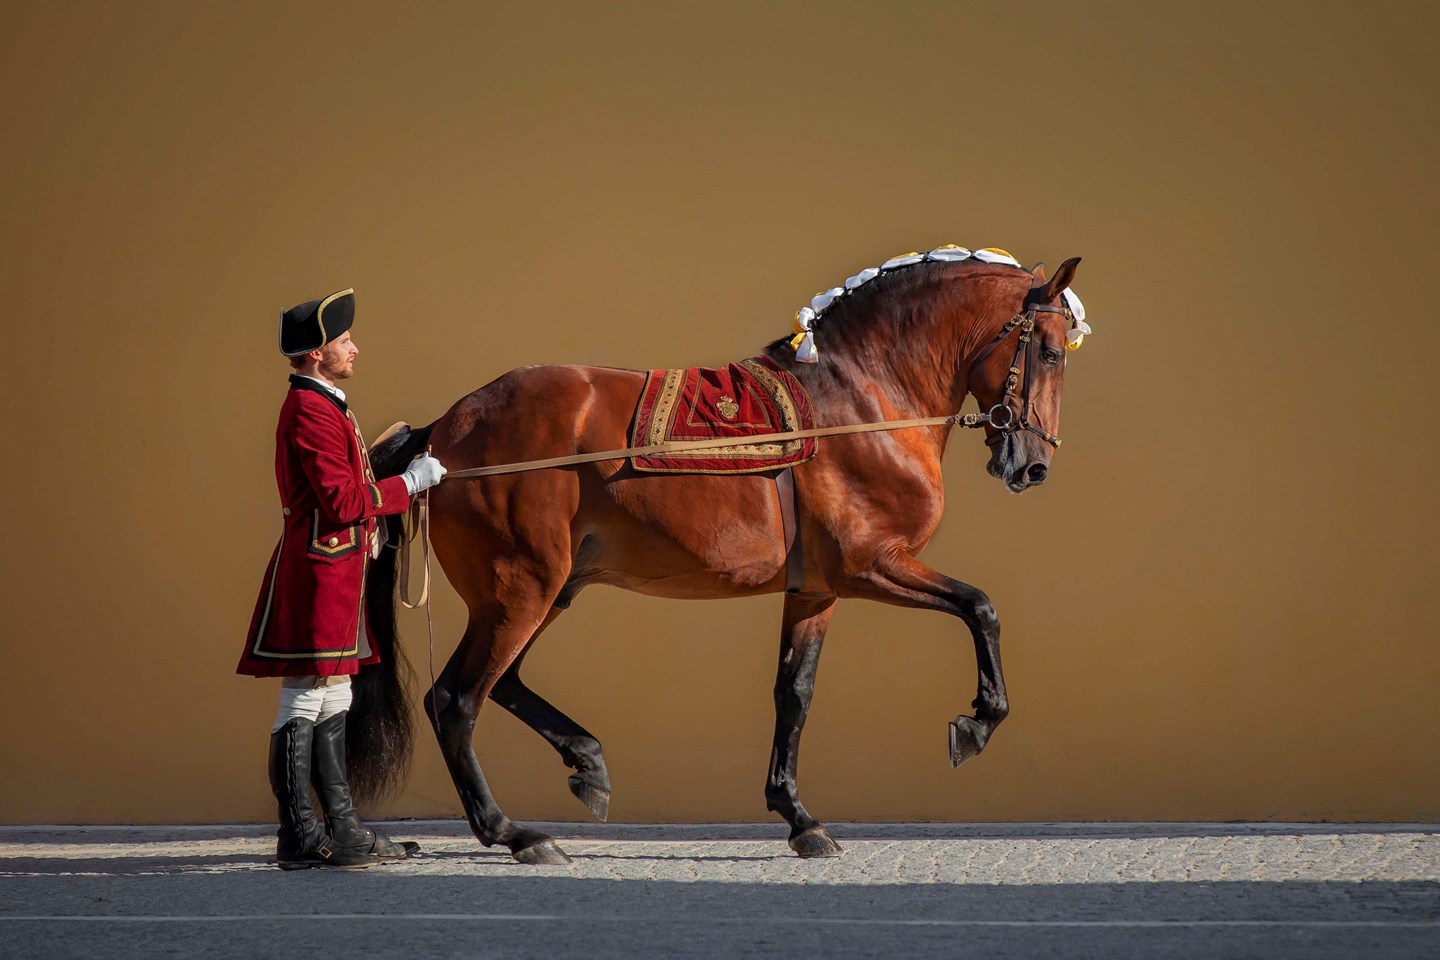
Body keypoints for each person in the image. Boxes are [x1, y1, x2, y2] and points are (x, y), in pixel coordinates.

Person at [236, 288, 447, 869]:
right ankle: (300, 835)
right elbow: (343, 499)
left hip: (339, 571)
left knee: (334, 695)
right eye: (343, 341)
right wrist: (411, 484)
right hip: (320, 573)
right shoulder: (309, 409)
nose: (354, 348)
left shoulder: (326, 401)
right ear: (314, 353)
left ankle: (341, 830)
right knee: (303, 701)